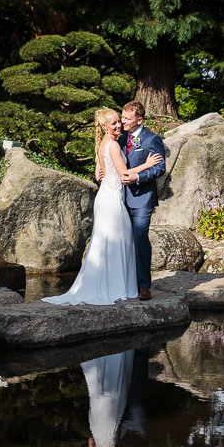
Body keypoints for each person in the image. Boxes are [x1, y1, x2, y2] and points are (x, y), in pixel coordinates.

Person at [42, 108, 162, 306]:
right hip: (112, 199)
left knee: (111, 243)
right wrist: (146, 164)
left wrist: (101, 169)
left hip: (111, 196)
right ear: (104, 126)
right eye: (115, 122)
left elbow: (104, 170)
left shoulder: (106, 143)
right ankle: (112, 287)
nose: (120, 124)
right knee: (113, 242)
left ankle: (119, 285)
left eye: (121, 121)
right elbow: (124, 175)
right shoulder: (114, 145)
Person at [117, 101, 166, 301]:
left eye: (127, 119)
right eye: (122, 117)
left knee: (140, 237)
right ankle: (125, 283)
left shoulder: (152, 139)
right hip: (119, 198)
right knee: (121, 241)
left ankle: (144, 285)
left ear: (140, 120)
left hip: (142, 198)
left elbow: (159, 168)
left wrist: (138, 177)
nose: (123, 121)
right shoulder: (120, 140)